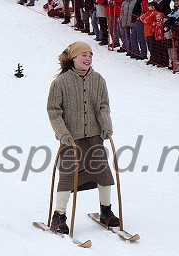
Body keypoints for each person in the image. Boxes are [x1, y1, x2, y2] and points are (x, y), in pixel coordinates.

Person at [47, 42, 119, 234]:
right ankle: (59, 216)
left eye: (90, 55)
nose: (87, 58)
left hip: (94, 137)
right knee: (68, 176)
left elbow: (103, 106)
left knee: (103, 173)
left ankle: (106, 210)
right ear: (73, 58)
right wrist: (63, 134)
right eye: (83, 55)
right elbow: (54, 111)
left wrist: (106, 127)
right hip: (71, 139)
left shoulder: (98, 79)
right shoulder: (60, 82)